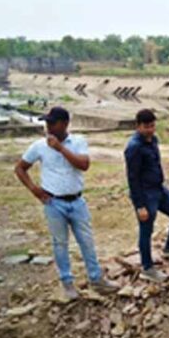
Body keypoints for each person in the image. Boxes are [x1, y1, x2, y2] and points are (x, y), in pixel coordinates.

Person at [14, 107, 118, 299]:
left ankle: (96, 279)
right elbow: (20, 168)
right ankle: (67, 283)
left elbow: (84, 165)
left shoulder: (77, 142)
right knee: (60, 243)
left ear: (65, 124)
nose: (48, 127)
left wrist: (60, 149)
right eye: (47, 123)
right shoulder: (39, 146)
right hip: (54, 203)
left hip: (77, 201)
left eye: (52, 123)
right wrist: (34, 189)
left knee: (86, 241)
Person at [124, 109, 169, 282]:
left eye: (152, 126)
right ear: (138, 126)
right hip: (146, 194)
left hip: (159, 189)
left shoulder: (153, 140)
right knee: (146, 231)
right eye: (146, 127)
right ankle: (147, 268)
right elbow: (132, 178)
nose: (150, 130)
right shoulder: (134, 147)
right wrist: (140, 205)